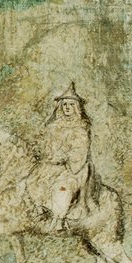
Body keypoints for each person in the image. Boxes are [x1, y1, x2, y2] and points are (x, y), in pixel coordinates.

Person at [31, 82, 97, 232]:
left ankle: (59, 221)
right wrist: (47, 153)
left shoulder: (81, 127)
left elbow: (80, 151)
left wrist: (64, 157)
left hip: (73, 168)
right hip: (53, 165)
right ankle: (40, 211)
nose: (67, 107)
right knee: (34, 179)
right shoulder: (53, 126)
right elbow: (47, 146)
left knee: (62, 186)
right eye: (64, 104)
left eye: (71, 104)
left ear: (76, 107)